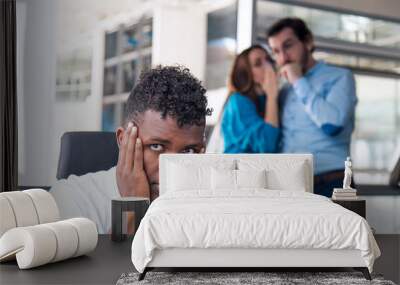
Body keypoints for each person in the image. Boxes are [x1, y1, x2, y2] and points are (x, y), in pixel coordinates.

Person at [50, 66, 212, 233]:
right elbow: (112, 260)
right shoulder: (70, 200)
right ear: (123, 140)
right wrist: (133, 206)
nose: (172, 170)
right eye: (156, 146)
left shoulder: (213, 204)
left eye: (189, 151)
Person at [266, 18, 357, 197]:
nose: (283, 58)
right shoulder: (285, 89)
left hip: (331, 180)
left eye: (289, 46)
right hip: (291, 184)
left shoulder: (340, 77)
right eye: (276, 51)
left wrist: (298, 80)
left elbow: (332, 125)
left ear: (308, 42)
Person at [221, 44, 280, 153]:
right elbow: (267, 145)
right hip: (237, 168)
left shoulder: (268, 99)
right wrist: (272, 96)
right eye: (258, 63)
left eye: (268, 59)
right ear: (246, 74)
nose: (268, 65)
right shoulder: (238, 102)